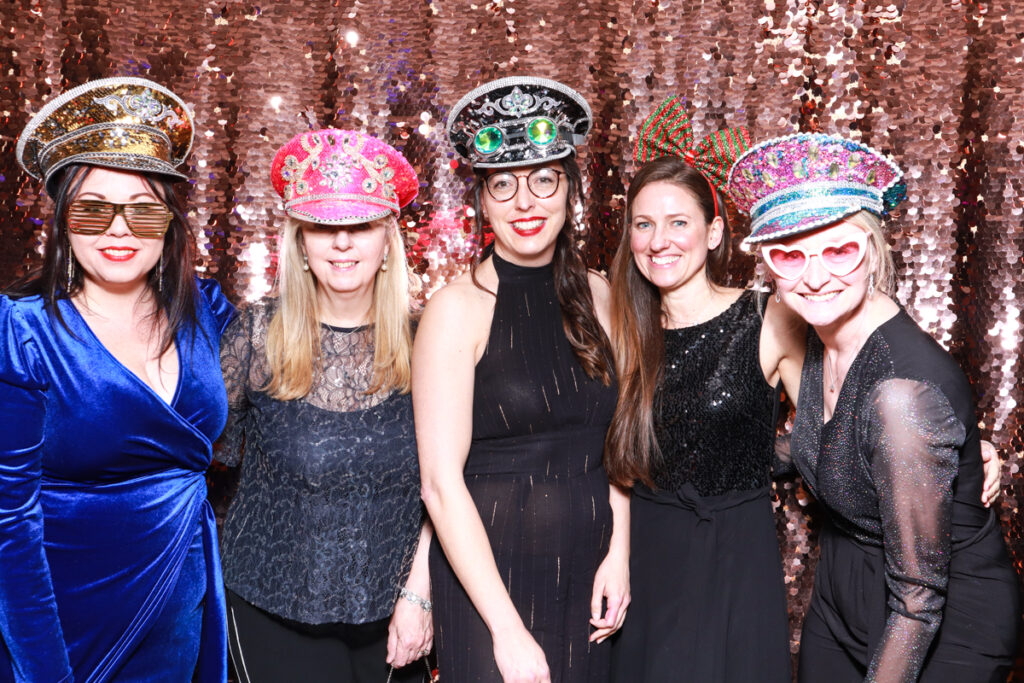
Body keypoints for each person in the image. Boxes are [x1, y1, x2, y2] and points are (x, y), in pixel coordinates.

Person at [729, 133, 1021, 681]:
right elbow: (828, 444)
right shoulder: (823, 333)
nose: (815, 278)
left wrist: (940, 450)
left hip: (942, 617)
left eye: (840, 250)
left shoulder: (903, 396)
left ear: (874, 249)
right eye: (789, 255)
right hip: (845, 589)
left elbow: (918, 599)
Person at [0, 77, 233, 682]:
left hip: (179, 612)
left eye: (144, 209)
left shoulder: (206, 311)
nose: (119, 229)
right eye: (93, 208)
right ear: (62, 221)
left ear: (170, 222)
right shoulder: (22, 331)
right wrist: (43, 672)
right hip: (63, 628)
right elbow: (8, 522)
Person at [415, 76, 630, 683]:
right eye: (503, 184)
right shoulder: (456, 308)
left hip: (590, 577)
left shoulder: (600, 295)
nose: (525, 202)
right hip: (493, 585)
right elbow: (438, 485)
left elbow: (619, 443)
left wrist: (621, 551)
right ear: (481, 200)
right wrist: (505, 630)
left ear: (570, 191)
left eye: (544, 179)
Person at [216, 128, 431, 683]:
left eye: (359, 226)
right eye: (324, 227)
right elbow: (211, 465)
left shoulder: (428, 340)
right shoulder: (256, 337)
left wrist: (422, 594)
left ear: (387, 241)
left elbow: (456, 483)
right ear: (301, 243)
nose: (342, 243)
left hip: (398, 618)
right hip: (269, 608)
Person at [604, 97, 803, 681]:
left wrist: (952, 443)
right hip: (647, 555)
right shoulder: (623, 330)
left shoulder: (769, 318)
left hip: (737, 555)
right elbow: (614, 458)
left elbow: (840, 417)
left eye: (678, 222)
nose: (658, 240)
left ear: (714, 233)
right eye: (643, 224)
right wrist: (616, 556)